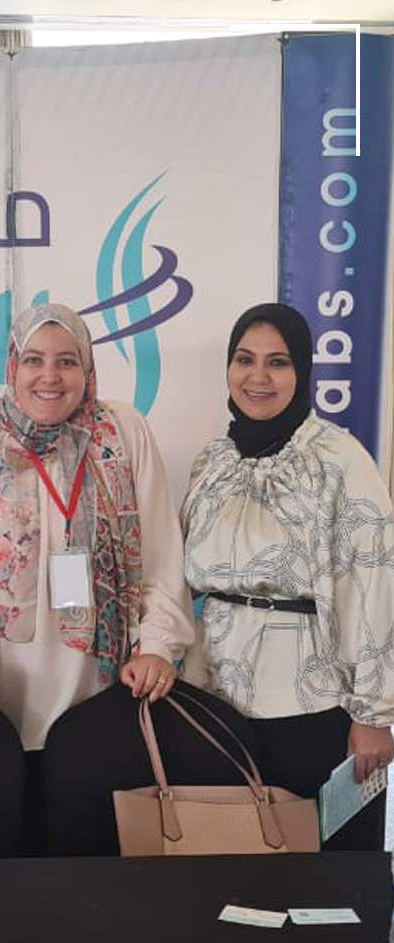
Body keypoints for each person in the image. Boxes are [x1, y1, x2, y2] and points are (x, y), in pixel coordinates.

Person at [0, 302, 193, 848]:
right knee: (11, 858)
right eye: (34, 360)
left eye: (67, 361)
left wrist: (158, 646)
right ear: (12, 366)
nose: (50, 376)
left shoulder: (123, 433)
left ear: (87, 368)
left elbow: (162, 555)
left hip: (104, 694)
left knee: (91, 855)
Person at [180, 301, 394, 850]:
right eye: (244, 359)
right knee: (228, 859)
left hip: (308, 699)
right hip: (213, 699)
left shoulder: (340, 460)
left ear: (302, 371)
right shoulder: (212, 462)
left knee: (317, 865)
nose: (258, 377)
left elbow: (375, 584)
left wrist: (374, 714)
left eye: (277, 362)